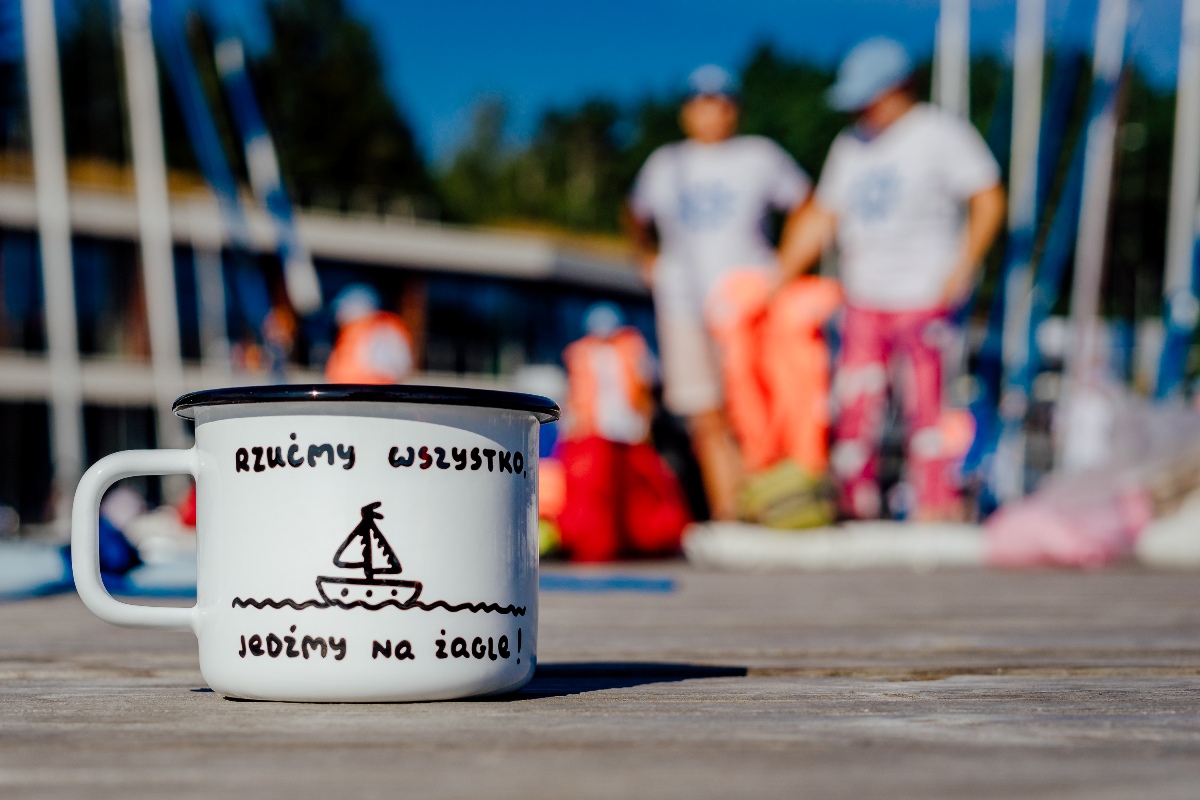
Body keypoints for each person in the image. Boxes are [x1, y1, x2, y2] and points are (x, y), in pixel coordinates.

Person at [778, 37, 1006, 521]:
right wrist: (777, 278)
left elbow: (988, 197)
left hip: (925, 292)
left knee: (928, 405)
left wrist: (963, 266)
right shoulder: (850, 145)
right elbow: (823, 215)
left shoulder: (940, 133)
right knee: (856, 403)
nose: (862, 109)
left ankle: (935, 505)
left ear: (898, 88)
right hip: (864, 296)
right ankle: (854, 505)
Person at [625, 64, 813, 520]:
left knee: (756, 408)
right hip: (683, 302)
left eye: (720, 103)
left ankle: (768, 503)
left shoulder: (759, 156)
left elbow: (807, 204)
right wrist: (647, 262)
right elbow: (635, 213)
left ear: (734, 110)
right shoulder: (665, 163)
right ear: (686, 111)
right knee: (705, 412)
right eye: (700, 103)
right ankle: (730, 511)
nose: (711, 112)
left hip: (747, 301)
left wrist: (784, 270)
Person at [554, 303, 690, 562]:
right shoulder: (581, 353)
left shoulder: (634, 349)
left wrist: (644, 423)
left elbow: (646, 388)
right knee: (597, 496)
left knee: (637, 494)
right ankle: (597, 543)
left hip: (628, 433)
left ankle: (639, 540)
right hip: (593, 433)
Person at [325, 284, 414, 384]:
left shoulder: (382, 333)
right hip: (349, 391)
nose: (338, 315)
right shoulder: (347, 335)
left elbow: (393, 369)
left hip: (369, 392)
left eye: (343, 309)